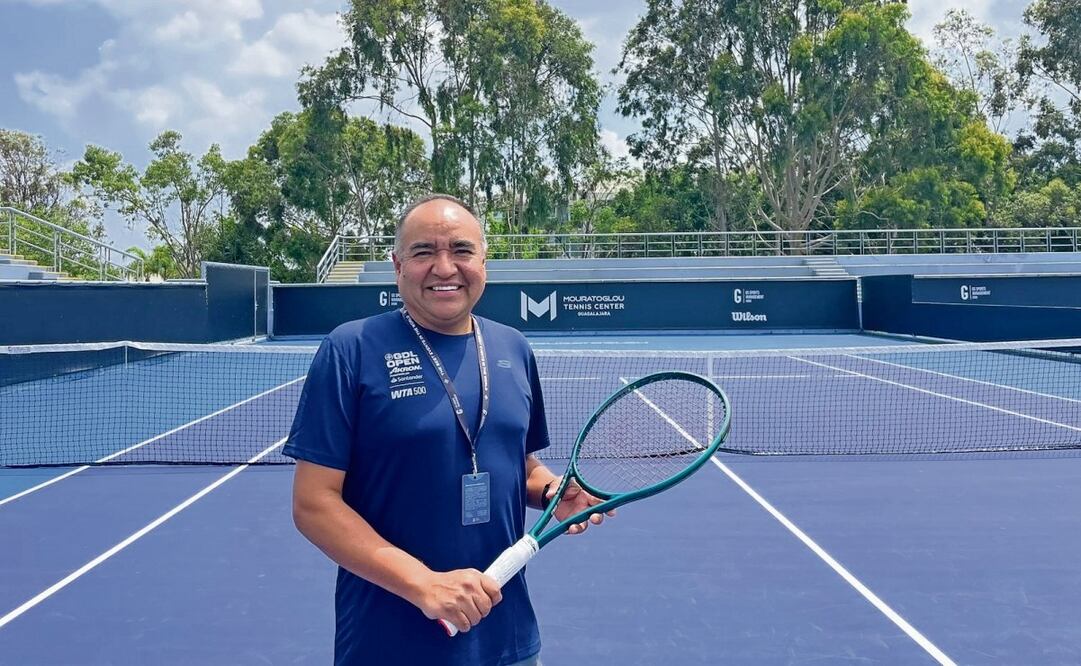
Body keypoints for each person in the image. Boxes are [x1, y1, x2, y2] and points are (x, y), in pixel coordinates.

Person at [284, 194, 609, 665]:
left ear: (483, 262)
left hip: (508, 640)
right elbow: (313, 503)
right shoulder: (350, 348)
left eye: (461, 250)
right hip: (386, 646)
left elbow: (519, 464)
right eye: (423, 252)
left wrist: (551, 491)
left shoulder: (513, 347)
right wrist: (424, 584)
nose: (444, 267)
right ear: (397, 265)